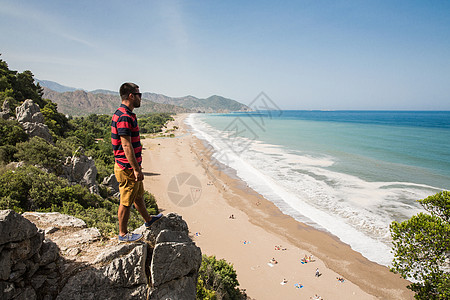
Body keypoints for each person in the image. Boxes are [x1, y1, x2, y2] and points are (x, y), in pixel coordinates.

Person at [112, 82, 162, 242]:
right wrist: (135, 169)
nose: (141, 98)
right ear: (131, 96)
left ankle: (148, 220)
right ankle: (123, 234)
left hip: (130, 166)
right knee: (126, 201)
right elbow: (126, 145)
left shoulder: (123, 113)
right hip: (127, 167)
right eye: (139, 95)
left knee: (138, 196)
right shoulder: (125, 116)